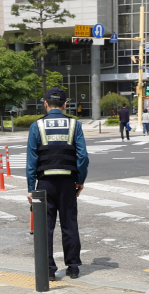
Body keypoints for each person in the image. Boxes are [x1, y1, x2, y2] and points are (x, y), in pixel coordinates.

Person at [26, 87, 89, 280]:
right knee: (69, 224)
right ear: (64, 105)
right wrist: (79, 180)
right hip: (68, 181)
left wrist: (31, 188)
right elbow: (83, 157)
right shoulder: (74, 125)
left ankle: (49, 270)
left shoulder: (36, 126)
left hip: (45, 182)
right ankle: (73, 267)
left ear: (45, 104)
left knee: (45, 226)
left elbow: (32, 160)